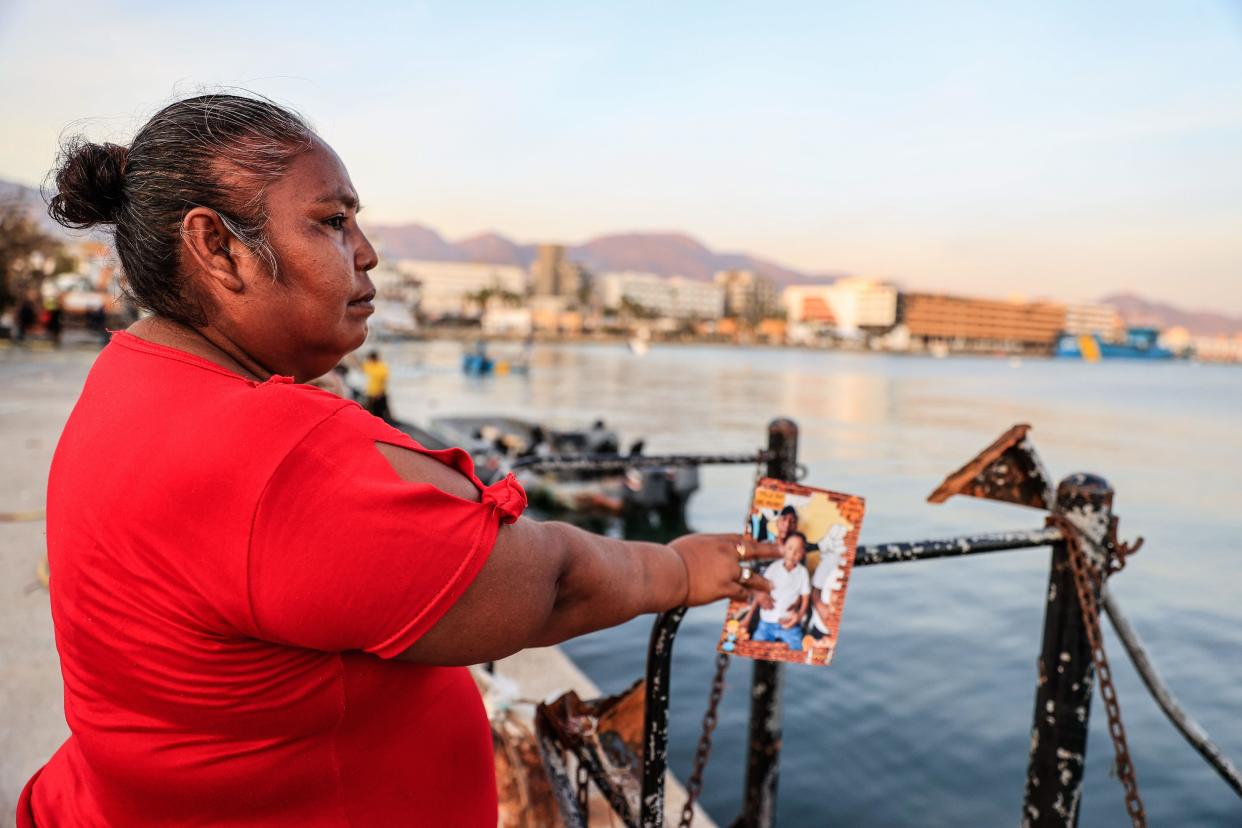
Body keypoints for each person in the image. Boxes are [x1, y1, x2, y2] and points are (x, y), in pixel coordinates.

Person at [20, 93, 773, 828]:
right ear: (216, 246)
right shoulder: (274, 454)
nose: (367, 252)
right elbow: (546, 586)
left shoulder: (132, 377)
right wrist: (674, 570)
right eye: (333, 222)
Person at [745, 531, 811, 650]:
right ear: (784, 549)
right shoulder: (773, 568)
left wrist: (799, 616)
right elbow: (761, 591)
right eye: (790, 548)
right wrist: (748, 618)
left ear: (803, 553)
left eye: (798, 550)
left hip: (789, 623)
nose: (793, 553)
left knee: (798, 648)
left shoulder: (803, 573)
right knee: (755, 646)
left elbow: (805, 598)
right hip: (767, 622)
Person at [361, 348, 391, 420]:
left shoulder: (382, 367)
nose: (369, 360)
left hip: (379, 394)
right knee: (372, 412)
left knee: (380, 412)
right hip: (370, 393)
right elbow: (359, 366)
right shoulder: (369, 365)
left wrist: (380, 392)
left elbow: (383, 381)